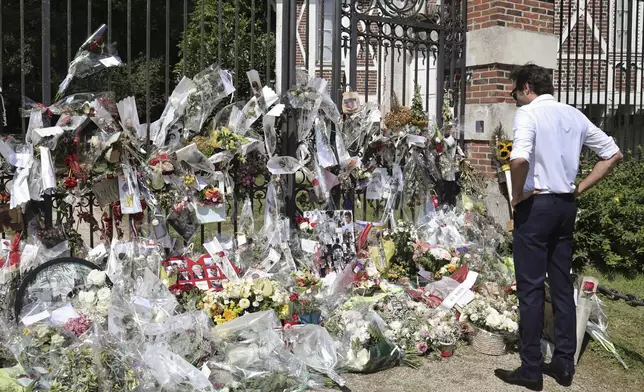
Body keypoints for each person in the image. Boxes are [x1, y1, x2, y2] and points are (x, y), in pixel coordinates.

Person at [495, 64, 622, 391]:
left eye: (514, 92)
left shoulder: (529, 114)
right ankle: (565, 363)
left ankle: (531, 368)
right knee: (562, 284)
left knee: (531, 287)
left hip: (536, 207)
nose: (516, 98)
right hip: (566, 204)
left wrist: (517, 195)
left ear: (525, 87)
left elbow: (519, 159)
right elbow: (612, 154)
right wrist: (579, 188)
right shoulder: (574, 114)